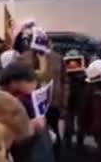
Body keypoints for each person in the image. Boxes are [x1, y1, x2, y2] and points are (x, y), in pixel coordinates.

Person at [15, 25, 68, 159]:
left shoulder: (57, 58)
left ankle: (56, 157)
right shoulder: (22, 59)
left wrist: (64, 103)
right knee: (35, 138)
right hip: (31, 106)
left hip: (52, 104)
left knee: (54, 135)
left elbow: (64, 82)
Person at [0, 61, 55, 162]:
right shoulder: (1, 108)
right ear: (13, 83)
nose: (34, 90)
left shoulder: (26, 98)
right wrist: (30, 128)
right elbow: (2, 142)